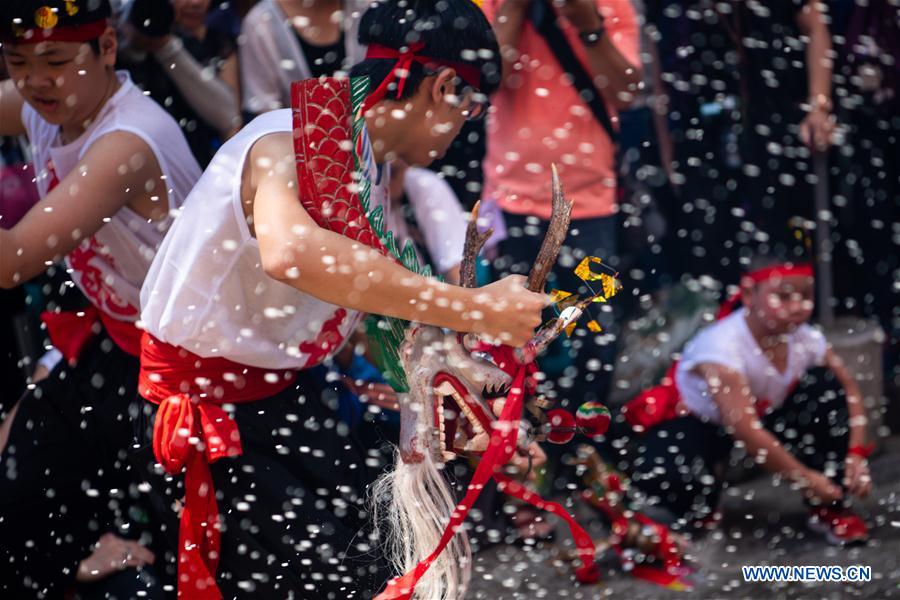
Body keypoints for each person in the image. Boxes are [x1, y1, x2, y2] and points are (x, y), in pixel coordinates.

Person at [134, 1, 547, 597]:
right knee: (336, 579)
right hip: (217, 407)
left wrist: (457, 391)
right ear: (444, 87)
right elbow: (293, 253)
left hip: (284, 390)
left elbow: (363, 299)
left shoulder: (361, 163)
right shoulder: (285, 140)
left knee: (386, 542)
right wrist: (473, 307)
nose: (466, 125)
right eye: (471, 106)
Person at [0, 0, 202, 597]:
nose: (37, 80)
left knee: (180, 545)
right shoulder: (48, 105)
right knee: (21, 502)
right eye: (18, 62)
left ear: (107, 49)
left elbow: (12, 263)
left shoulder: (127, 139)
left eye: (57, 60)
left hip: (185, 365)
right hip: (112, 340)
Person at [627, 257, 872, 544]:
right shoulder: (722, 348)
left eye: (805, 295)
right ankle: (699, 504)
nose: (797, 307)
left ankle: (830, 506)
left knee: (826, 389)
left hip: (765, 416)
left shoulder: (806, 338)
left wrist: (855, 455)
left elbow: (850, 389)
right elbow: (745, 430)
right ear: (747, 294)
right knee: (665, 473)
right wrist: (806, 480)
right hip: (701, 425)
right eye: (782, 296)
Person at [481, 0, 642, 408]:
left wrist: (587, 25)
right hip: (511, 204)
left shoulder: (608, 5)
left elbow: (626, 92)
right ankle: (519, 445)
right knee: (509, 341)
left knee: (596, 337)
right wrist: (513, 11)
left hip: (592, 208)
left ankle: (584, 443)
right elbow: (484, 81)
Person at [645, 0, 834, 288]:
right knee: (711, 246)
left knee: (780, 239)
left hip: (772, 121)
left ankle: (788, 319)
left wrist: (818, 105)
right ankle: (726, 320)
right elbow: (660, 75)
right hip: (698, 131)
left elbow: (815, 23)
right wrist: (667, 152)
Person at [120, 0, 242, 165]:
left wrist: (166, 48)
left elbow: (229, 119)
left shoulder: (219, 43)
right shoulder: (120, 41)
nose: (196, 3)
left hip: (204, 165)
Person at [239, 0, 369, 115]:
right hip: (291, 139)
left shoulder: (369, 6)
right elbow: (265, 114)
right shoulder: (260, 23)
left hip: (370, 135)